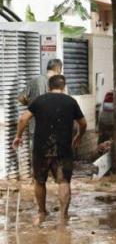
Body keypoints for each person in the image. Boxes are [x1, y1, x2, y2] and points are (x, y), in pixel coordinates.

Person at [12, 75, 87, 225]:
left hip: (41, 149)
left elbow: (23, 119)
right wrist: (79, 135)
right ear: (64, 87)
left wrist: (18, 136)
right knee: (63, 181)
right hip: (63, 149)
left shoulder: (39, 100)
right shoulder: (71, 102)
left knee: (40, 181)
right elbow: (83, 123)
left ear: (49, 86)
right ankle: (63, 216)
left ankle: (41, 213)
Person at [17, 59, 64, 153]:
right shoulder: (56, 83)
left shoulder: (34, 80)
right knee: (52, 160)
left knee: (36, 158)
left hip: (35, 128)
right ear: (59, 70)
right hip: (51, 129)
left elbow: (21, 98)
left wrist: (30, 104)